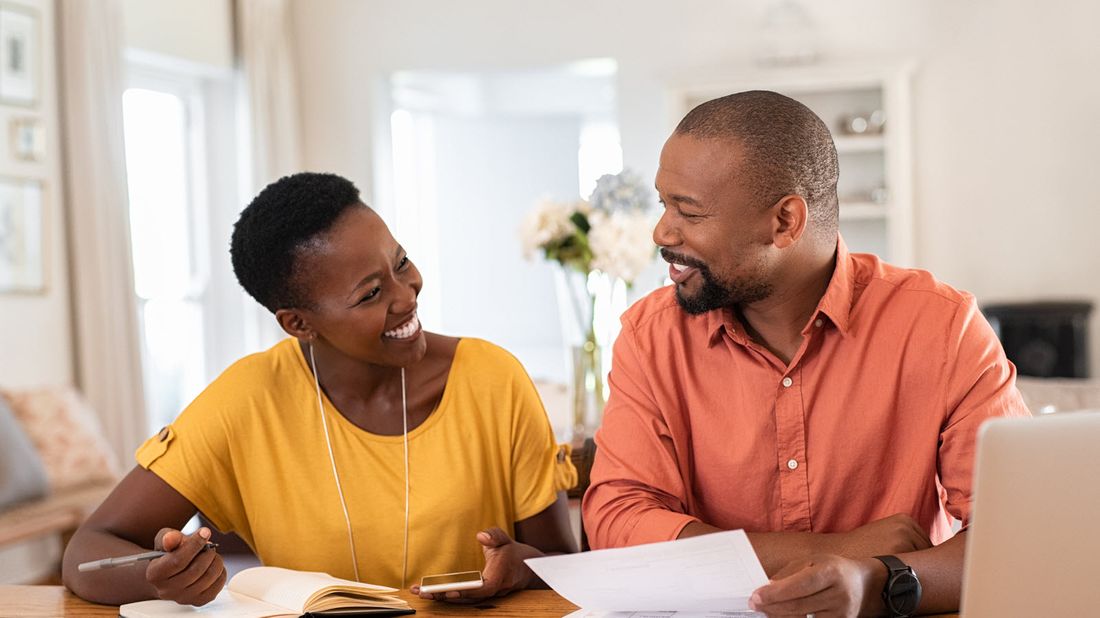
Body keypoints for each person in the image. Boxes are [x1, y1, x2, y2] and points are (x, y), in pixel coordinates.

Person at [582, 91, 1029, 617]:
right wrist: (828, 551)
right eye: (664, 204)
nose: (662, 232)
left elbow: (1017, 539)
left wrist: (875, 580)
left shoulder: (942, 327)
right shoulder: (650, 336)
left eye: (690, 212)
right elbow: (617, 522)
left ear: (785, 222)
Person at [63, 172, 577, 606]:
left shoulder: (493, 378)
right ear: (298, 324)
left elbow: (562, 564)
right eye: (371, 293)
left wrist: (518, 568)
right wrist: (161, 579)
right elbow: (86, 551)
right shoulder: (247, 400)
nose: (407, 295)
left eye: (400, 263)